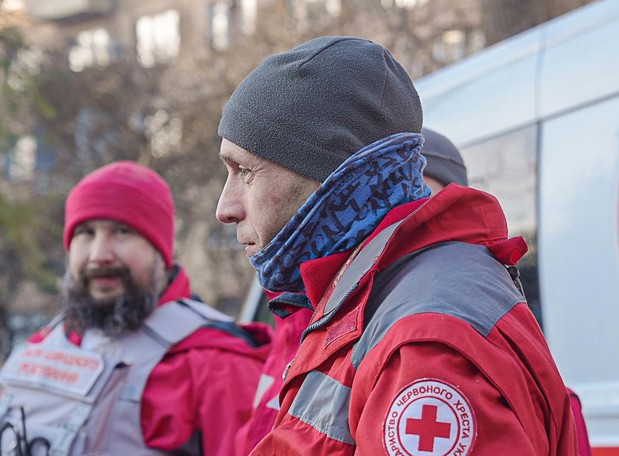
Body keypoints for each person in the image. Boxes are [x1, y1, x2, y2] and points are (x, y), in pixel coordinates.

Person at [216, 36, 577, 455]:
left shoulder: (424, 345)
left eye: (244, 171)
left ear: (331, 175)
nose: (225, 208)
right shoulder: (372, 303)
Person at [0, 161, 272, 455]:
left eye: (122, 232)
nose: (100, 255)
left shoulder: (218, 363)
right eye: (86, 233)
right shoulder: (42, 345)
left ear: (161, 252)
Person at [234, 126, 473, 455]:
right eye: (386, 195)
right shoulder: (290, 309)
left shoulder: (428, 328)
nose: (402, 216)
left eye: (423, 196)